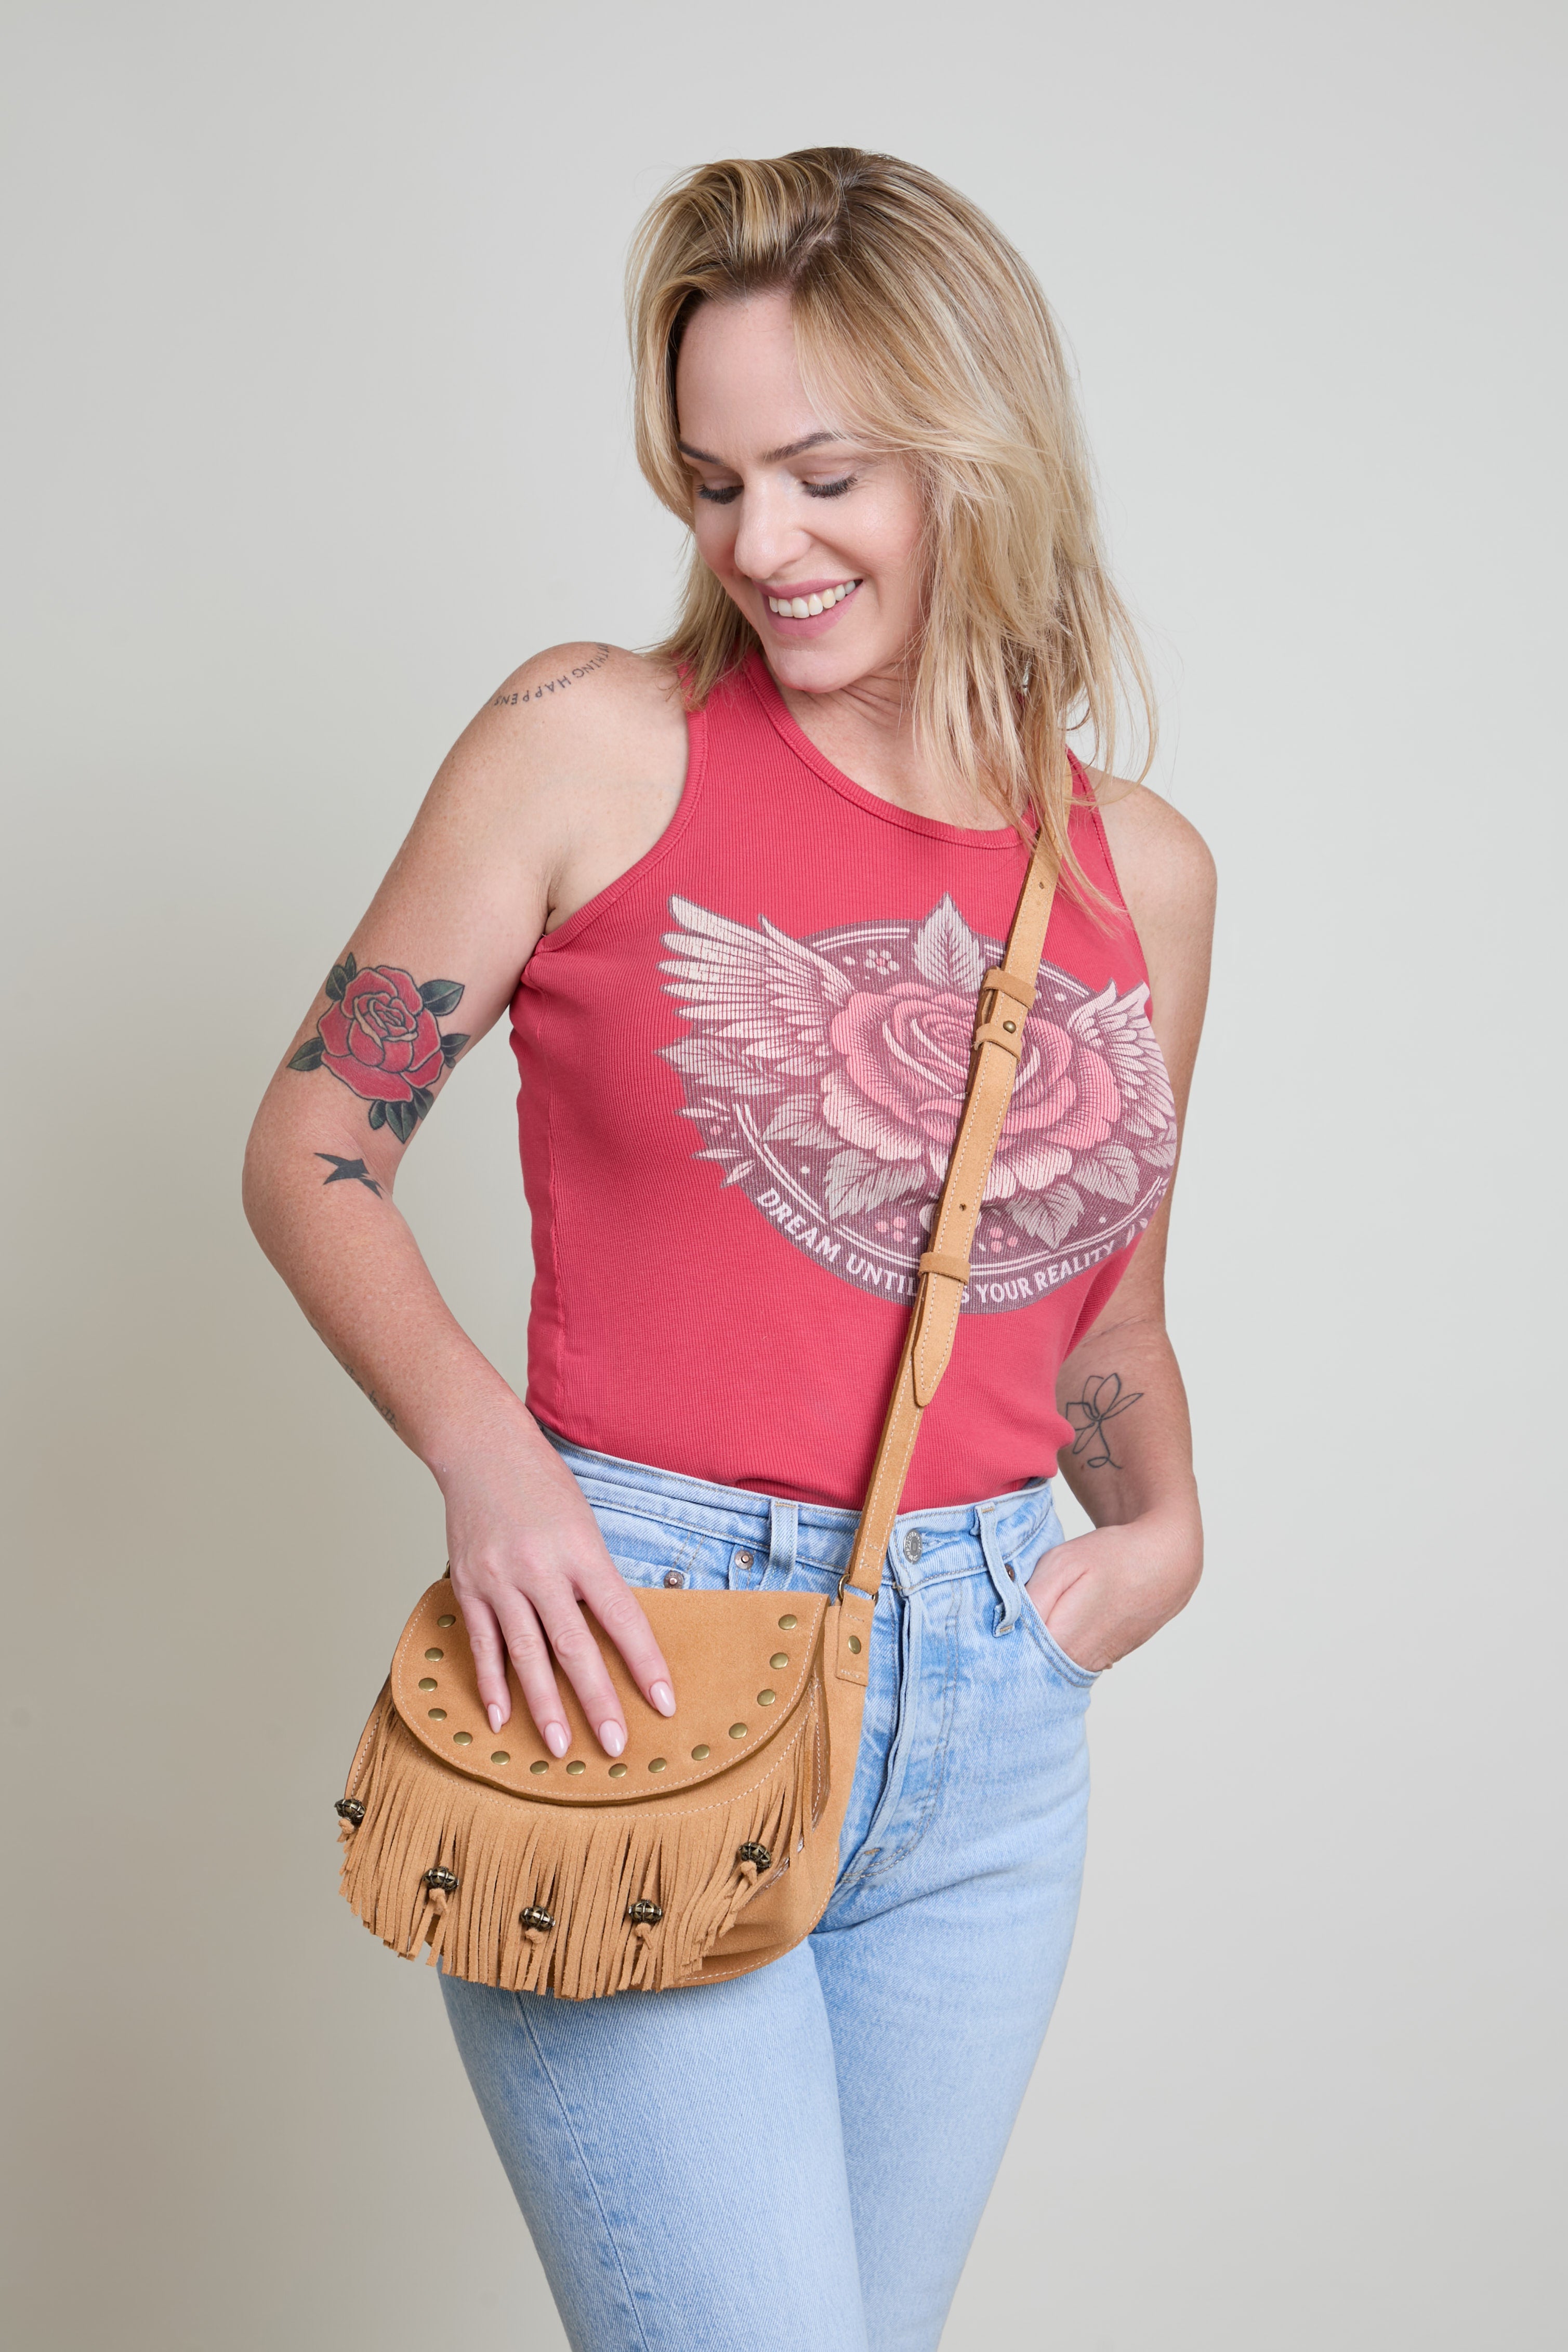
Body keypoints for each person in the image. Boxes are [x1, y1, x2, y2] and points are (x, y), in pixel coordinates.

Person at [244, 146, 1215, 2352]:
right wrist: (495, 1464)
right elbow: (314, 1141)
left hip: (987, 1718)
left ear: (982, 453)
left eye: (821, 473)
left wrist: (1161, 1529)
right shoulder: (589, 741)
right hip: (631, 1664)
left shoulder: (1138, 875)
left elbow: (1104, 1320)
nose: (756, 545)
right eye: (708, 483)